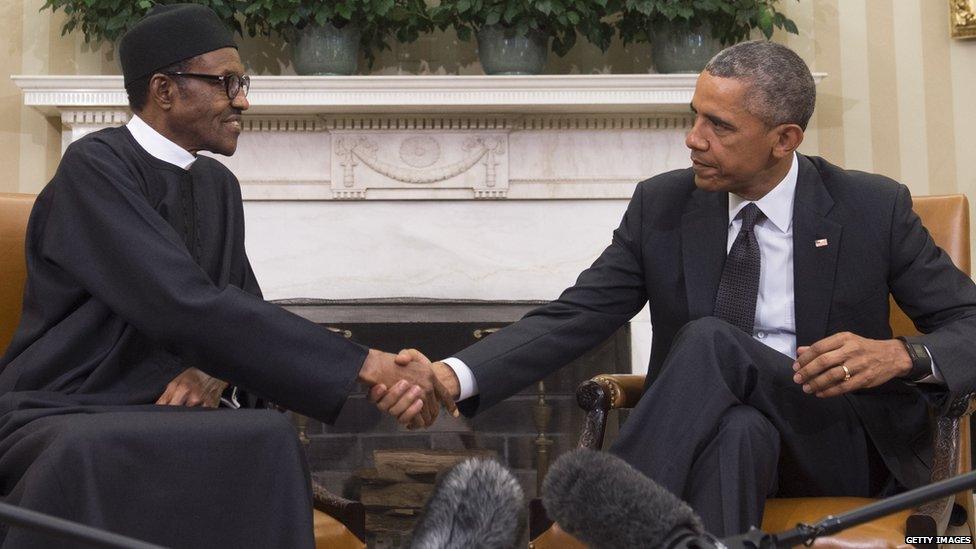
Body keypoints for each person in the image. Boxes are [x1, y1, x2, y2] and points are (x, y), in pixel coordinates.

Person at [386, 40, 976, 536]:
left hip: (833, 438)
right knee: (737, 432)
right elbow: (577, 316)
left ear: (785, 138)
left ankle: (608, 512)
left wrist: (903, 354)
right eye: (694, 115)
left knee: (711, 341)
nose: (694, 139)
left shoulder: (870, 208)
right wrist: (448, 375)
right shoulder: (663, 205)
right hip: (726, 439)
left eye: (719, 126)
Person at [0, 4, 453, 548]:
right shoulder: (94, 167)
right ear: (165, 90)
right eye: (226, 82)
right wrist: (368, 364)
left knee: (268, 434)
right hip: (71, 403)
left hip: (172, 414)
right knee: (88, 448)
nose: (242, 99)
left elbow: (239, 309)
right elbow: (180, 302)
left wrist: (216, 372)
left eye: (242, 83)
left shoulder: (218, 185)